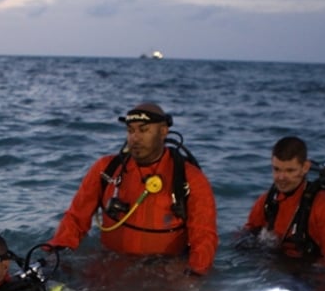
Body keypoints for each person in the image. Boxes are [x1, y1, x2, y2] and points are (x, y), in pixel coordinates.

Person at [47, 102, 219, 276]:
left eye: (144, 130)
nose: (135, 138)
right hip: (110, 265)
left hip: (164, 272)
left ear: (163, 131)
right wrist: (58, 254)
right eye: (131, 131)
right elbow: (76, 218)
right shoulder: (106, 169)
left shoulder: (190, 178)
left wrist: (194, 276)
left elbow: (204, 236)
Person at [240, 135, 325, 268]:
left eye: (290, 170)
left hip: (308, 272)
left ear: (305, 167)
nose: (281, 177)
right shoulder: (267, 201)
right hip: (278, 265)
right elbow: (248, 232)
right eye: (276, 169)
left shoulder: (323, 206)